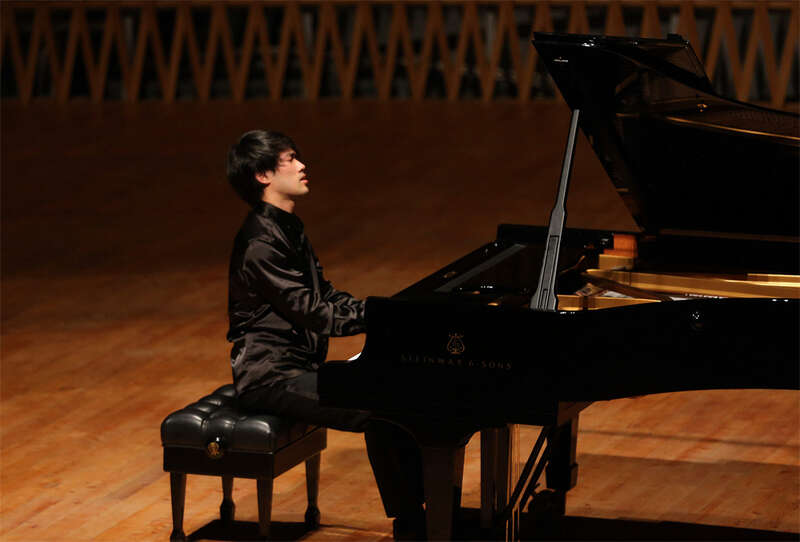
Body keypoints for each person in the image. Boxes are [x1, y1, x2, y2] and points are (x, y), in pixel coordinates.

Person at [225, 130, 426, 540]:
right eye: (291, 159)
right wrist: (385, 319)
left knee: (403, 397)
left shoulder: (286, 227)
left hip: (297, 366)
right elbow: (314, 313)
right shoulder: (260, 243)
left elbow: (325, 295)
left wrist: (379, 311)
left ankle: (430, 512)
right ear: (263, 175)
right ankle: (413, 525)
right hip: (269, 376)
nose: (303, 165)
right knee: (383, 407)